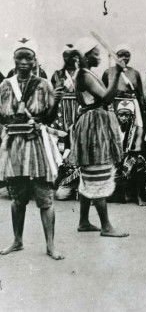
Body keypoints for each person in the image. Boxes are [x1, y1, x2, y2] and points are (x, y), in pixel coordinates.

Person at [0, 39, 65, 260]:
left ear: (35, 60)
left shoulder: (44, 84)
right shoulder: (6, 85)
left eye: (29, 57)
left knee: (44, 196)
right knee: (17, 196)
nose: (24, 62)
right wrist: (11, 122)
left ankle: (50, 245)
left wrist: (53, 105)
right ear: (14, 60)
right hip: (15, 145)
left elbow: (49, 116)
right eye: (20, 57)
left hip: (37, 143)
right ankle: (17, 241)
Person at [69, 36, 128, 238]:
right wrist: (117, 73)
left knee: (89, 173)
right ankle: (106, 226)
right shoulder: (84, 75)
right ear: (86, 56)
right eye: (96, 53)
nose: (100, 57)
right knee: (98, 171)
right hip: (93, 127)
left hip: (93, 123)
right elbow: (107, 97)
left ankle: (84, 221)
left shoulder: (86, 73)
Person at [50, 44, 82, 201]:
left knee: (77, 142)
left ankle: (76, 181)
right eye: (66, 55)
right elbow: (52, 96)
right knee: (61, 145)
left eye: (72, 55)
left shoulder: (81, 74)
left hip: (78, 109)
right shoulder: (57, 75)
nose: (69, 58)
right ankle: (60, 179)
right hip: (61, 111)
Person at [102, 44, 146, 152]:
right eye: (120, 55)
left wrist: (143, 107)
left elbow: (140, 93)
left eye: (127, 55)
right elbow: (103, 92)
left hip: (132, 101)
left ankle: (136, 147)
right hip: (115, 102)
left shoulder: (135, 73)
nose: (124, 58)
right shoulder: (108, 72)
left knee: (138, 124)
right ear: (115, 56)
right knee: (114, 126)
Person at [113, 100, 146, 205]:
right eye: (121, 115)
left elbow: (138, 148)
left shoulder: (138, 129)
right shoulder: (113, 129)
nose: (123, 118)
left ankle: (138, 196)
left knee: (138, 161)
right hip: (116, 160)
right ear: (117, 115)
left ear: (132, 116)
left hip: (131, 158)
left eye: (126, 115)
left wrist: (126, 153)